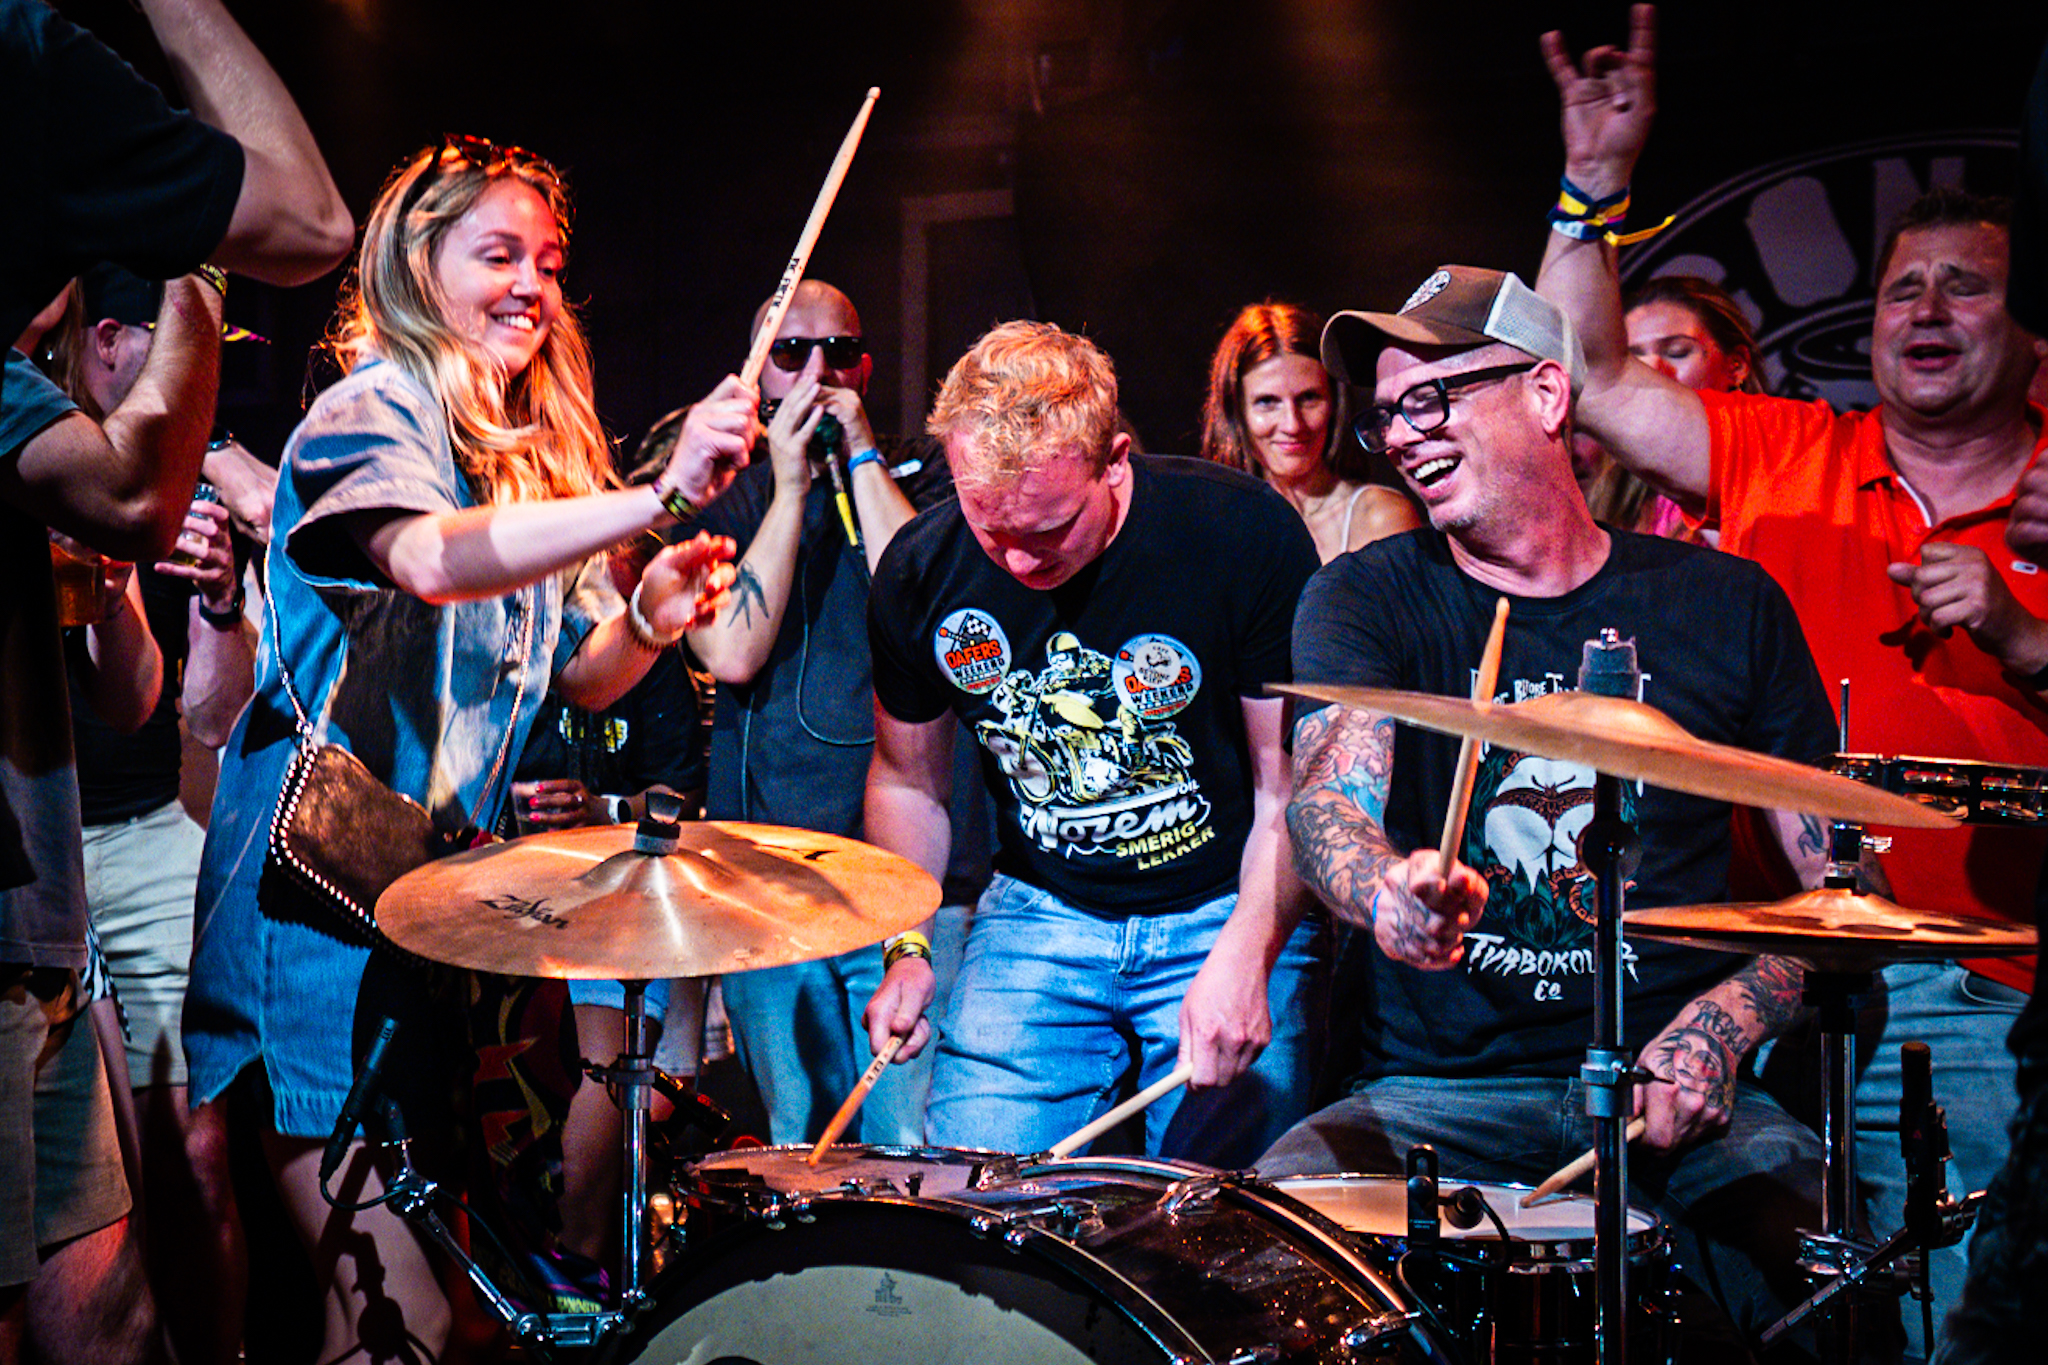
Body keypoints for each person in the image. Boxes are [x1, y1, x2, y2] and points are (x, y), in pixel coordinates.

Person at [182, 137, 752, 1362]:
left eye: (546, 261)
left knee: (450, 1323)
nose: (531, 286)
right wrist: (655, 496)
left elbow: (578, 676)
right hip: (313, 911)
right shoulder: (371, 408)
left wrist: (650, 621)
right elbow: (430, 561)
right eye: (498, 255)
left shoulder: (519, 455)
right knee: (397, 1324)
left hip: (427, 919)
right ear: (415, 263)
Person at [1536, 10, 2048, 1354]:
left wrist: (2025, 639)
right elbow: (1586, 373)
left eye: (1965, 287)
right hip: (1780, 967)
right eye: (1901, 289)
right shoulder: (1786, 452)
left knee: (1957, 1322)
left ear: (2031, 330)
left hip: (1981, 984)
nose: (1924, 310)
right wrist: (1590, 189)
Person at [1262, 263, 1843, 1356]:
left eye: (1431, 398)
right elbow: (1328, 802)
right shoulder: (1365, 593)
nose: (1404, 435)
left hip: (1671, 1094)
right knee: (1271, 1267)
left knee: (1828, 1281)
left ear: (1543, 394)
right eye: (1387, 417)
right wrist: (1387, 893)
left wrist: (1720, 1027)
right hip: (1436, 1096)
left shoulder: (1725, 603)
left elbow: (1846, 900)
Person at [860, 320, 1326, 1167]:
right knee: (975, 1192)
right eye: (990, 528)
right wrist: (907, 946)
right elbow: (906, 784)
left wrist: (1250, 949)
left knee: (1218, 1212)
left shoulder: (1240, 533)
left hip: (1225, 900)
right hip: (1041, 908)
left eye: (1048, 530)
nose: (1016, 562)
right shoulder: (921, 570)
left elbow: (1285, 788)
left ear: (1114, 461)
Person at [683, 280, 986, 1146]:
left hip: (911, 885)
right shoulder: (726, 494)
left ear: (866, 367)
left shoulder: (925, 476)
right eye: (792, 352)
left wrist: (858, 457)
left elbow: (928, 610)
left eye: (840, 353)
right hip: (769, 879)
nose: (819, 373)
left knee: (907, 1145)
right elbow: (730, 652)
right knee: (796, 1145)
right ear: (758, 373)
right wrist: (788, 492)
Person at [44, 264, 255, 1365]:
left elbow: (202, 718)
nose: (196, 376)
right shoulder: (35, 441)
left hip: (144, 827)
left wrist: (217, 599)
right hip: (39, 857)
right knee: (93, 1187)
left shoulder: (183, 477)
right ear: (110, 337)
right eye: (180, 346)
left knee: (199, 1156)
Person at [1200, 301, 1419, 561]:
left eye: (1308, 398)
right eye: (1267, 402)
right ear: (1237, 412)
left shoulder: (1379, 518)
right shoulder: (1215, 526)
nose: (1293, 424)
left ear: (1335, 403)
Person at [1584, 275, 1766, 538]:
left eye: (1677, 352)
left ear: (1736, 365)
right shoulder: (1609, 487)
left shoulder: (1768, 473)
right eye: (1633, 361)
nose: (1652, 370)